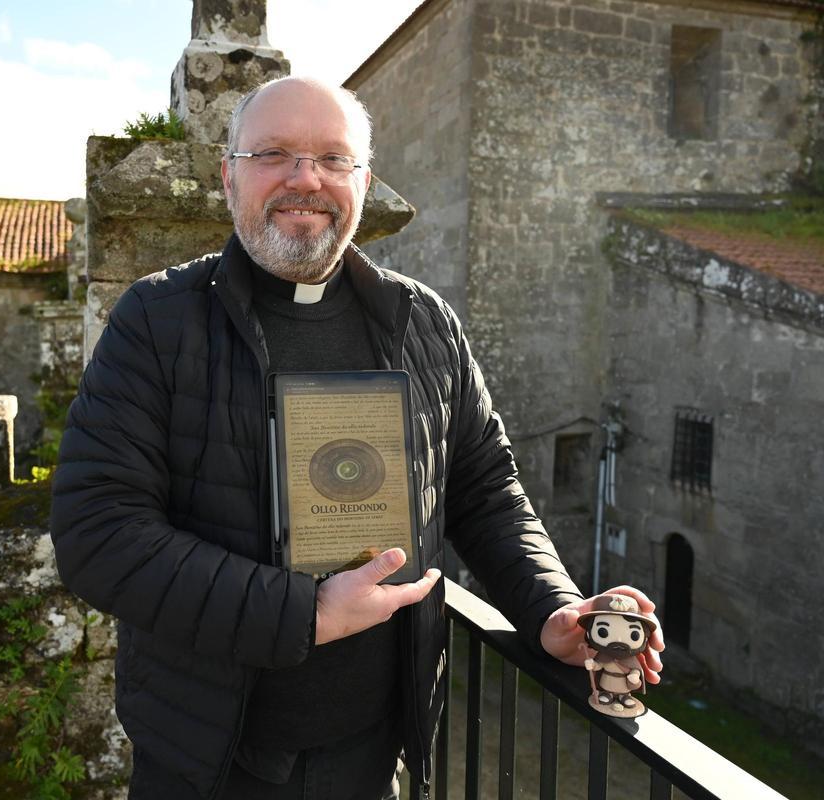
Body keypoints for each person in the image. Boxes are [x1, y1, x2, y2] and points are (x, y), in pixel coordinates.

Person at [50, 76, 663, 800]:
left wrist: (551, 608)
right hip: (210, 758)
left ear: (363, 182)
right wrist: (301, 614)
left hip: (375, 754)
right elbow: (98, 533)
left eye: (332, 160)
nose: (305, 178)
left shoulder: (424, 323)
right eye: (274, 153)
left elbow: (486, 490)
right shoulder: (155, 322)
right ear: (228, 175)